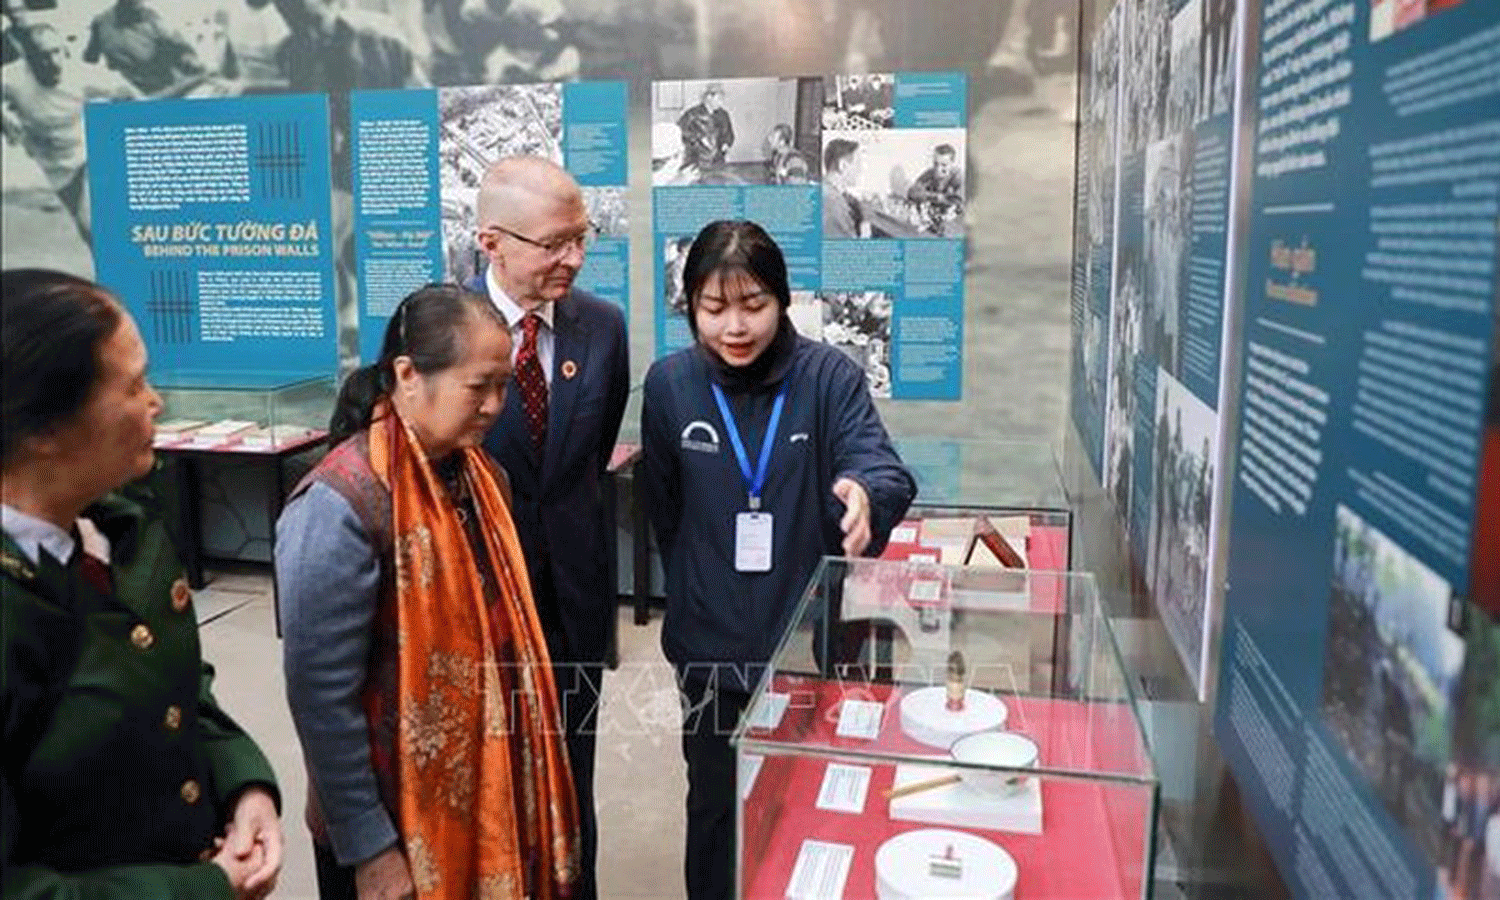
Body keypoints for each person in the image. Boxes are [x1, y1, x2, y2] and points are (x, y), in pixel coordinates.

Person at [641, 220, 916, 900]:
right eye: (713, 308)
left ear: (782, 299)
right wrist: (701, 593)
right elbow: (663, 510)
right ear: (691, 308)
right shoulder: (670, 385)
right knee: (714, 808)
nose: (734, 326)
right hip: (709, 645)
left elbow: (879, 465)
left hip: (809, 643)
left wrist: (867, 497)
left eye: (753, 305)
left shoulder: (828, 378)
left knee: (809, 807)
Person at [278, 284, 579, 900]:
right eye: (479, 387)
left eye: (503, 386)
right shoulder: (341, 505)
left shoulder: (483, 479)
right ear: (408, 375)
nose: (496, 406)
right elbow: (321, 701)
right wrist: (370, 849)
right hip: (392, 820)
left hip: (489, 792)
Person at [1, 269, 283, 899]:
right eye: (132, 386)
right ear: (44, 430)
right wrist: (200, 890)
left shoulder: (117, 527)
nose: (156, 403)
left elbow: (174, 688)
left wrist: (245, 784)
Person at [470, 156, 629, 900]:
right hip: (476, 613)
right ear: (491, 242)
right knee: (487, 791)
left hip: (572, 603)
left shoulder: (603, 328)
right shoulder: (441, 328)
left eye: (581, 237)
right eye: (553, 243)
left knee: (572, 781)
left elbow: (586, 463)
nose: (572, 257)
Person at [0, 23, 140, 245]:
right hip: (55, 165)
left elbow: (130, 95)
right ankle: (108, 272)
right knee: (90, 235)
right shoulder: (13, 79)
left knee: (92, 223)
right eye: (43, 56)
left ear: (64, 50)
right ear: (27, 60)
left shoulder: (82, 76)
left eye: (56, 52)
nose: (54, 62)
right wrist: (5, 120)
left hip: (91, 152)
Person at [678, 83, 735, 173]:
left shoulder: (723, 115)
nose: (721, 102)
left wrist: (726, 143)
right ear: (708, 97)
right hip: (697, 162)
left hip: (718, 162)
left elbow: (729, 134)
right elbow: (680, 132)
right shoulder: (692, 114)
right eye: (719, 99)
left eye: (722, 99)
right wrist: (698, 139)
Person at [906, 143, 964, 222]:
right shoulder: (930, 173)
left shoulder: (959, 177)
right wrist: (937, 197)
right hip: (930, 218)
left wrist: (927, 196)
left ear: (952, 163)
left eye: (944, 165)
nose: (938, 169)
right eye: (936, 164)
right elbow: (912, 192)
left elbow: (958, 203)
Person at [823, 138, 867, 238]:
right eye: (857, 164)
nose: (860, 170)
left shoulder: (825, 190)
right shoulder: (834, 203)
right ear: (842, 165)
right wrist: (865, 236)